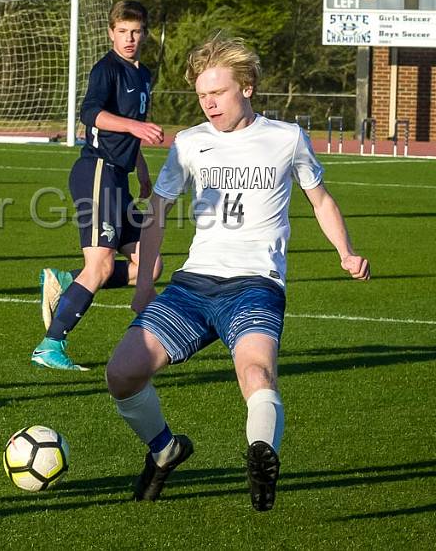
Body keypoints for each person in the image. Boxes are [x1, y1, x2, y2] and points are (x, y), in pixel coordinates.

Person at [104, 36, 370, 510]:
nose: (209, 103)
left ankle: (261, 457)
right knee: (122, 374)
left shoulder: (286, 138)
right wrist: (144, 286)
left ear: (246, 87)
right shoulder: (189, 143)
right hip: (192, 285)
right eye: (202, 95)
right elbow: (158, 213)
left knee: (255, 372)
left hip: (255, 285)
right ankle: (165, 450)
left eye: (218, 92)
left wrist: (346, 253)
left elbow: (321, 199)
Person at [32, 0, 164, 371]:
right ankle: (50, 346)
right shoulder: (105, 69)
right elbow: (91, 114)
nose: (129, 38)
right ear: (111, 33)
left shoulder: (144, 74)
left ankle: (65, 281)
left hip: (118, 177)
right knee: (101, 265)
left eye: (136, 31)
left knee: (149, 265)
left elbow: (130, 126)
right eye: (122, 31)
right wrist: (135, 128)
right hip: (96, 172)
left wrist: (141, 168)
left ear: (144, 33)